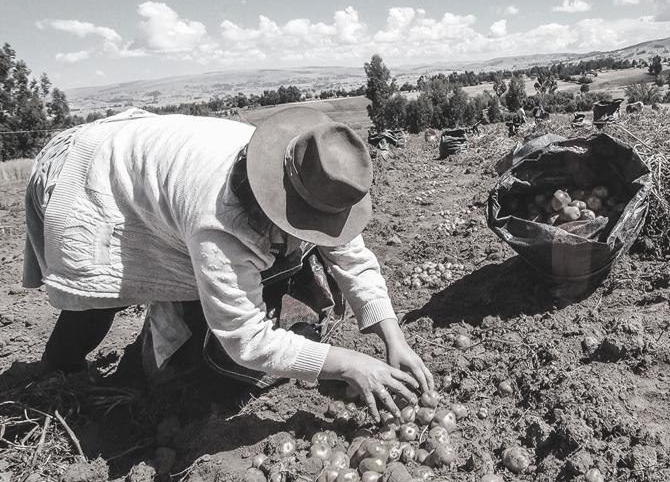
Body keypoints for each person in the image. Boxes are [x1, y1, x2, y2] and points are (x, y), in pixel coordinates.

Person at [23, 106, 432, 419]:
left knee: (256, 270)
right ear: (277, 204)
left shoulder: (315, 177)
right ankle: (57, 378)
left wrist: (393, 339)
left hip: (157, 170)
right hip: (94, 177)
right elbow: (247, 340)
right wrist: (349, 364)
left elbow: (352, 257)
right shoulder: (220, 220)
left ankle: (144, 359)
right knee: (100, 298)